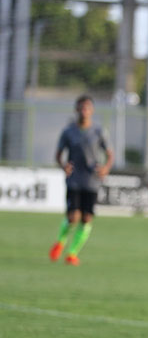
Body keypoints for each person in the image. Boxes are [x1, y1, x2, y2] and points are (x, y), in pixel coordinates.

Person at [48, 94, 113, 266]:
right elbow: (58, 154)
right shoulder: (68, 131)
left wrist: (106, 168)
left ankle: (72, 253)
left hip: (92, 180)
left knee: (86, 218)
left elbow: (109, 154)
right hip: (74, 179)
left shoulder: (98, 131)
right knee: (73, 217)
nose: (85, 111)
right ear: (76, 110)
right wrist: (63, 166)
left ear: (92, 111)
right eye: (82, 107)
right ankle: (60, 242)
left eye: (88, 108)